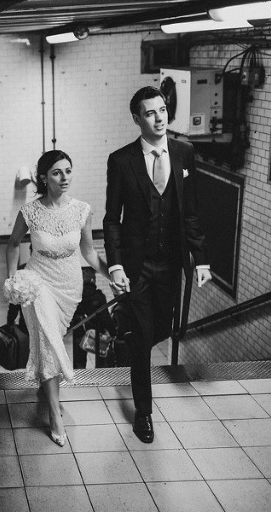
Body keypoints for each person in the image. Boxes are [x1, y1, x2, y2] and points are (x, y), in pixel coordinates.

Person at [104, 86, 211, 444]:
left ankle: (138, 346)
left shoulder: (184, 152)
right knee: (143, 338)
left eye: (162, 110)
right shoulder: (121, 160)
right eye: (150, 113)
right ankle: (144, 413)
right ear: (137, 119)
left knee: (162, 332)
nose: (159, 117)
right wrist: (115, 265)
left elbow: (192, 210)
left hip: (170, 265)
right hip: (137, 267)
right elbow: (112, 219)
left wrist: (201, 259)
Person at [6, 150, 109, 446]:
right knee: (49, 341)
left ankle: (46, 383)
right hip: (37, 283)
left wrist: (111, 274)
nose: (65, 178)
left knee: (50, 339)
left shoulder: (81, 210)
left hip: (69, 286)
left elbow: (89, 253)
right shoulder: (30, 212)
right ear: (43, 178)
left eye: (68, 171)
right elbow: (13, 245)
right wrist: (14, 279)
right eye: (57, 173)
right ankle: (55, 414)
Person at [71, 267, 116, 369]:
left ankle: (79, 377)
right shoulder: (98, 296)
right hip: (97, 331)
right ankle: (101, 375)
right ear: (93, 279)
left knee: (79, 359)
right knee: (101, 357)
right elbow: (105, 317)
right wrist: (112, 332)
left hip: (80, 329)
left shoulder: (75, 296)